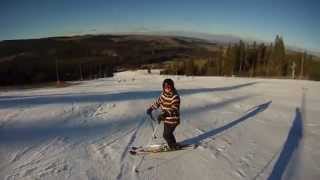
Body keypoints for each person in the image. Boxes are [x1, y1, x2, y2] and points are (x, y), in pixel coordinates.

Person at [146, 78, 181, 150]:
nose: (167, 89)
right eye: (165, 87)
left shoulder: (175, 96)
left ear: (172, 86)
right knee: (168, 134)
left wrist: (164, 114)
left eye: (169, 87)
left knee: (166, 135)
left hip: (173, 120)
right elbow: (158, 102)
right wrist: (151, 108)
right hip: (166, 119)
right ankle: (173, 143)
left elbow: (174, 109)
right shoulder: (163, 94)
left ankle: (172, 146)